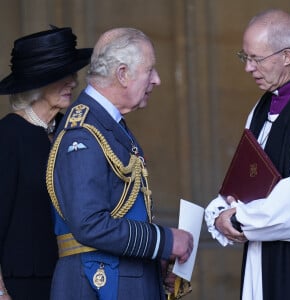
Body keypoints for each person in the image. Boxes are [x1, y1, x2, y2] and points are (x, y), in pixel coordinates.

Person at [46, 27, 194, 300]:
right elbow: (89, 224)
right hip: (99, 282)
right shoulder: (84, 133)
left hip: (123, 278)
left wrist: (156, 257)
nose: (158, 80)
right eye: (150, 70)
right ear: (123, 74)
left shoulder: (106, 125)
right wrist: (165, 241)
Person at [205, 8, 290, 300]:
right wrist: (219, 211)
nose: (248, 67)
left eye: (256, 59)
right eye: (244, 57)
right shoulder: (261, 108)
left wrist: (236, 220)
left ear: (286, 56)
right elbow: (246, 174)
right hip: (261, 253)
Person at [0, 26, 92, 300]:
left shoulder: (69, 130)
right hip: (22, 286)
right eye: (61, 76)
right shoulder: (8, 135)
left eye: (72, 73)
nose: (73, 82)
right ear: (35, 84)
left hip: (72, 278)